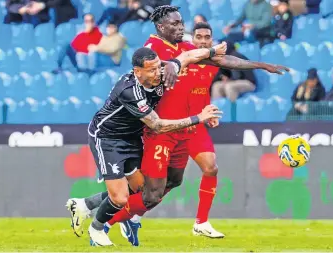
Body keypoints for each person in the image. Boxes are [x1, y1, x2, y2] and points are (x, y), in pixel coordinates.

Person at [67, 5, 289, 247]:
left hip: (170, 130)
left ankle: (88, 205)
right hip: (153, 131)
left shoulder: (183, 47)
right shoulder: (151, 51)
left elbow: (208, 58)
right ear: (161, 27)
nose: (181, 27)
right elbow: (158, 117)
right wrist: (196, 113)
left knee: (166, 183)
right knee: (146, 192)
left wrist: (260, 65)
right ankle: (101, 225)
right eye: (175, 24)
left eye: (181, 22)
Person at [67, 45, 226, 246]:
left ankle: (84, 205)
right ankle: (96, 229)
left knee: (143, 189)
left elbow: (187, 56)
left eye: (159, 67)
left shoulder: (162, 73)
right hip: (107, 138)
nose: (157, 73)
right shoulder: (129, 91)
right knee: (121, 198)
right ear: (137, 72)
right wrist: (198, 118)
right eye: (151, 70)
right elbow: (158, 126)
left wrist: (212, 51)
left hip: (132, 137)